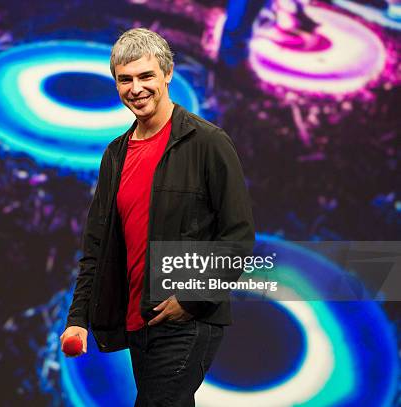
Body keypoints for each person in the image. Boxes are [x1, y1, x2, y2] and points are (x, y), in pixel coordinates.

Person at [61, 28, 255, 406]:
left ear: (167, 74)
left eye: (146, 76)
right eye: (125, 79)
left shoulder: (208, 142)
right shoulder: (115, 154)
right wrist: (77, 318)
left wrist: (191, 298)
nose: (136, 88)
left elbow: (238, 235)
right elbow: (97, 246)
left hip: (187, 317)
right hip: (138, 321)